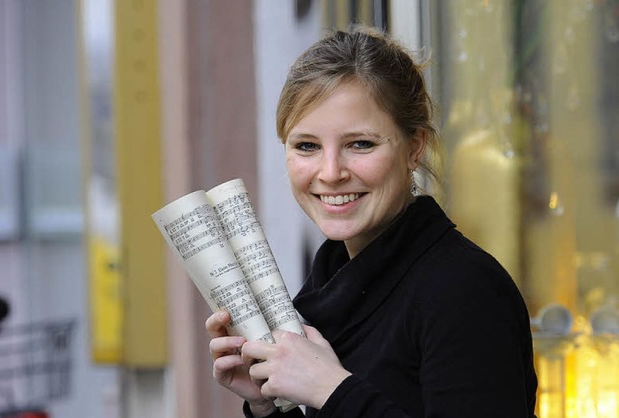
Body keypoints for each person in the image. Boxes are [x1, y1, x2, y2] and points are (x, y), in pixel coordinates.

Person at [205, 26, 538, 418]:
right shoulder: (327, 290)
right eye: (306, 146)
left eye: (360, 144)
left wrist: (330, 388)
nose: (330, 172)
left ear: (415, 148)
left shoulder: (464, 291)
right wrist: (266, 405)